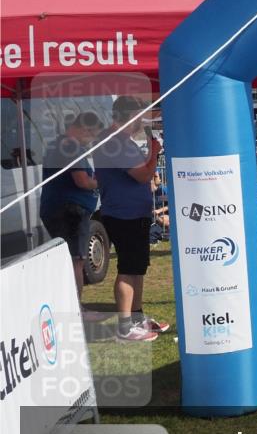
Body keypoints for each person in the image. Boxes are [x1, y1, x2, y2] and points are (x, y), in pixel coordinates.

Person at [92, 96, 169, 342]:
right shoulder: (114, 141)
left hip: (133, 213)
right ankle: (125, 326)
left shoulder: (121, 141)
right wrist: (155, 152)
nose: (141, 122)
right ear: (130, 116)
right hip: (123, 214)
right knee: (128, 268)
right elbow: (143, 174)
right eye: (139, 116)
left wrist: (150, 156)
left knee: (137, 268)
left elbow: (144, 172)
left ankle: (136, 318)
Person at [39, 111, 103, 296]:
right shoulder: (70, 147)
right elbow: (82, 181)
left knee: (70, 259)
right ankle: (76, 309)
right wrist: (100, 183)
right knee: (76, 260)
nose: (91, 140)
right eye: (92, 134)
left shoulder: (57, 145)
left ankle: (72, 306)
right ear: (84, 129)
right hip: (70, 211)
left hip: (59, 208)